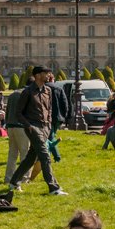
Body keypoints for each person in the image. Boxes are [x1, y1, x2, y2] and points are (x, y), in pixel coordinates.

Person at [8, 65, 67, 195]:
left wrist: (49, 124)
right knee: (45, 156)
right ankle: (54, 188)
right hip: (33, 127)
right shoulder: (27, 92)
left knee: (30, 157)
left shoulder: (48, 91)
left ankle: (13, 182)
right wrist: (29, 126)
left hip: (45, 127)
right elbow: (18, 113)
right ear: (38, 75)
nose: (49, 74)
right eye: (46, 73)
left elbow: (49, 109)